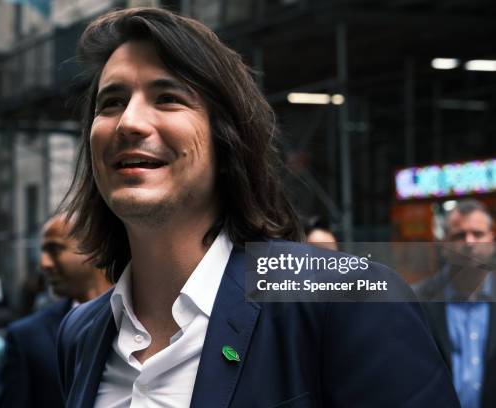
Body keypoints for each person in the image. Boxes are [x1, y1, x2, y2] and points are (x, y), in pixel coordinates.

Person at [57, 8, 460, 407]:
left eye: (167, 98)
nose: (129, 121)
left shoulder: (349, 302)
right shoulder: (80, 335)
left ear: (226, 137)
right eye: (111, 102)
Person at [0, 215, 111, 408]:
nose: (44, 263)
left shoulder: (151, 319)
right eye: (42, 251)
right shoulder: (27, 336)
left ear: (95, 248)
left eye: (54, 249)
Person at [417, 199, 496, 408]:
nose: (469, 243)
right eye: (459, 236)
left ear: (492, 241)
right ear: (444, 245)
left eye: (478, 234)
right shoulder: (418, 301)